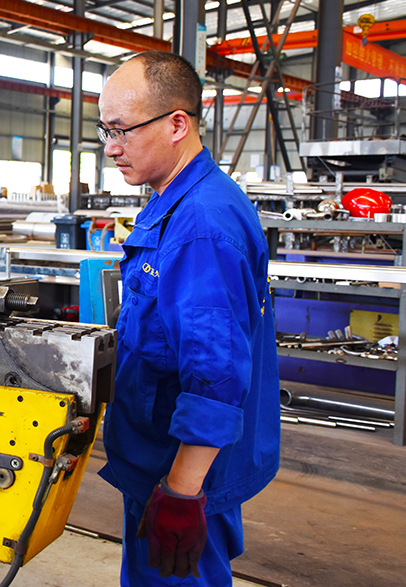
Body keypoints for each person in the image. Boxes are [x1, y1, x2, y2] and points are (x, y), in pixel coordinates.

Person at [95, 51, 280, 586]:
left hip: (178, 473)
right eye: (105, 130)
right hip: (161, 457)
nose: (110, 147)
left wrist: (180, 494)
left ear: (178, 124)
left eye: (122, 130)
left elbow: (214, 378)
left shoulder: (200, 224)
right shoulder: (172, 199)